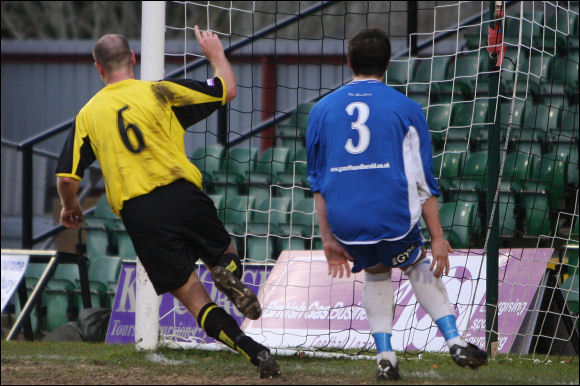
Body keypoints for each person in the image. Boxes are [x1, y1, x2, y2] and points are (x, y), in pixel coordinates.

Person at [55, 28, 280, 379]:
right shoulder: (158, 92)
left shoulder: (88, 114)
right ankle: (228, 273)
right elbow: (228, 89)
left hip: (140, 213)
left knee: (193, 298)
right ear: (133, 59)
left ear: (98, 69)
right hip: (182, 193)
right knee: (224, 252)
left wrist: (71, 207)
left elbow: (67, 179)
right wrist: (216, 54)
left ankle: (256, 352)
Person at [306, 28, 488, 381]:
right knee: (416, 262)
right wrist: (437, 236)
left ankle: (385, 356)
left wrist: (328, 239)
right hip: (392, 217)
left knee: (375, 271)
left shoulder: (320, 110)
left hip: (345, 224)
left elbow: (317, 181)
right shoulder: (406, 108)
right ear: (389, 64)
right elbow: (422, 182)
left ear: (348, 61)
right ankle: (453, 340)